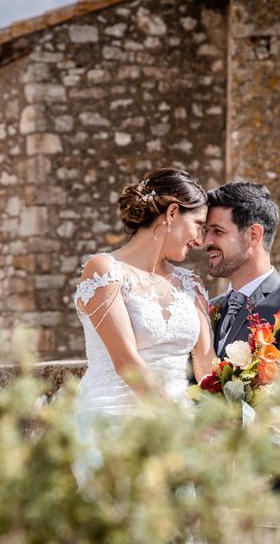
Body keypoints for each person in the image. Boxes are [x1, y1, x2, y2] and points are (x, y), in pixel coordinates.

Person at [72, 167, 215, 432]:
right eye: (198, 225)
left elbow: (206, 365)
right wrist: (179, 428)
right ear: (172, 213)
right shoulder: (105, 270)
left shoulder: (191, 284)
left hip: (180, 421)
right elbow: (126, 360)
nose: (201, 240)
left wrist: (221, 420)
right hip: (114, 418)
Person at [202, 182, 280, 456]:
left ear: (254, 234)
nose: (205, 242)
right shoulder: (208, 310)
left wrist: (246, 464)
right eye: (205, 231)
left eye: (218, 232)